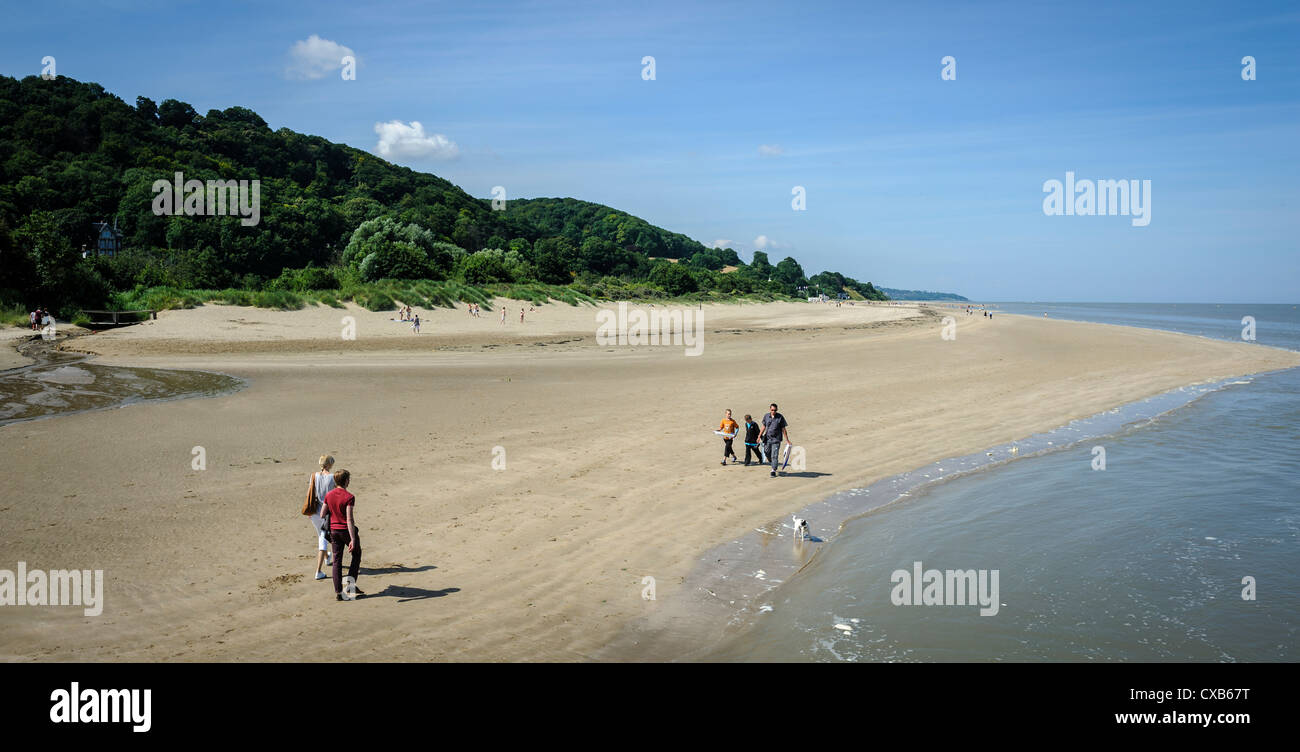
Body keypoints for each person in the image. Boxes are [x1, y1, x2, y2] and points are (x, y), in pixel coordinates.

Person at [323, 469, 364, 601]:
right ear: (346, 481)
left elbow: (323, 514)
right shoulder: (349, 497)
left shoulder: (329, 495)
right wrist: (352, 539)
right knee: (356, 554)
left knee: (337, 560)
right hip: (345, 531)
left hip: (333, 531)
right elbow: (349, 519)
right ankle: (351, 586)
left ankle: (338, 592)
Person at [307, 455, 337, 579]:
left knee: (321, 535)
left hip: (314, 513)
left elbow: (310, 493)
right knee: (323, 539)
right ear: (329, 464)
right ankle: (318, 571)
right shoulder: (333, 477)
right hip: (326, 513)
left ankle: (327, 557)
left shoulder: (314, 475)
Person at [758, 403, 791, 478]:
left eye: (775, 410)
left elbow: (783, 429)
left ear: (777, 410)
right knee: (766, 452)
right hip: (767, 439)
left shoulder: (780, 417)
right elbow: (763, 427)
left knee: (774, 455)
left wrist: (787, 440)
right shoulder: (766, 416)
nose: (773, 411)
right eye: (772, 410)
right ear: (770, 409)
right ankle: (772, 461)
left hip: (776, 439)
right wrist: (759, 436)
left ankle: (773, 470)